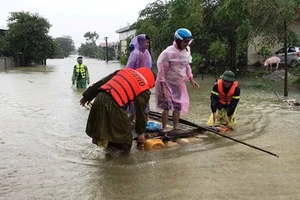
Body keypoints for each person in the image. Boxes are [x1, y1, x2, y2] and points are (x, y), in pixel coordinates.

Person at [79, 67, 155, 155]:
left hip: (99, 98)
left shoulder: (124, 71)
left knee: (112, 134)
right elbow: (140, 113)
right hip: (114, 104)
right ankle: (123, 164)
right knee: (125, 139)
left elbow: (101, 82)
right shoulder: (144, 89)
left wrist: (87, 96)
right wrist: (140, 132)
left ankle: (108, 158)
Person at [155, 28, 200, 132]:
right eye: (185, 41)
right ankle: (164, 128)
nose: (187, 43)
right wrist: (163, 89)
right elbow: (161, 72)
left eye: (188, 41)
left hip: (178, 83)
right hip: (166, 83)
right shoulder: (168, 53)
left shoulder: (187, 51)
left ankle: (176, 127)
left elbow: (186, 65)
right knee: (166, 106)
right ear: (178, 40)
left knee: (177, 106)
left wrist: (191, 79)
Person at [126, 34, 152, 123]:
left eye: (148, 42)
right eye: (146, 42)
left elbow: (149, 66)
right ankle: (135, 117)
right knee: (135, 100)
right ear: (140, 42)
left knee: (146, 98)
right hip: (135, 80)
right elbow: (128, 68)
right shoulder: (135, 53)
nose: (147, 44)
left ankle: (146, 116)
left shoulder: (146, 52)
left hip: (145, 80)